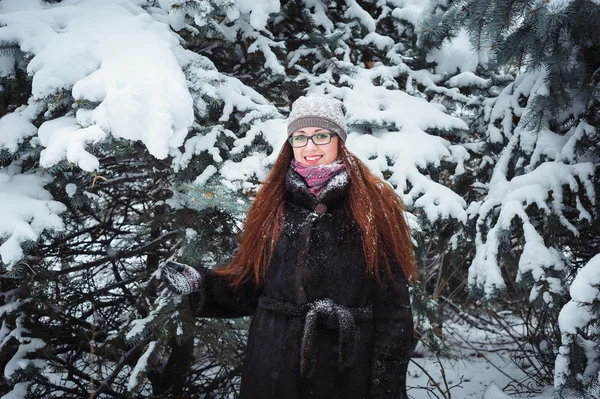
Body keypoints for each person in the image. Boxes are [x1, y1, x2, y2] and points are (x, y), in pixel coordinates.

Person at [161, 94, 417, 399]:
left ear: (339, 141)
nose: (310, 147)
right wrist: (202, 283)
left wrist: (385, 387)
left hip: (344, 373)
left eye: (321, 136)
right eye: (300, 137)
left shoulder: (373, 206)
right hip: (272, 368)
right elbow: (252, 286)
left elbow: (394, 313)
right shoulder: (273, 203)